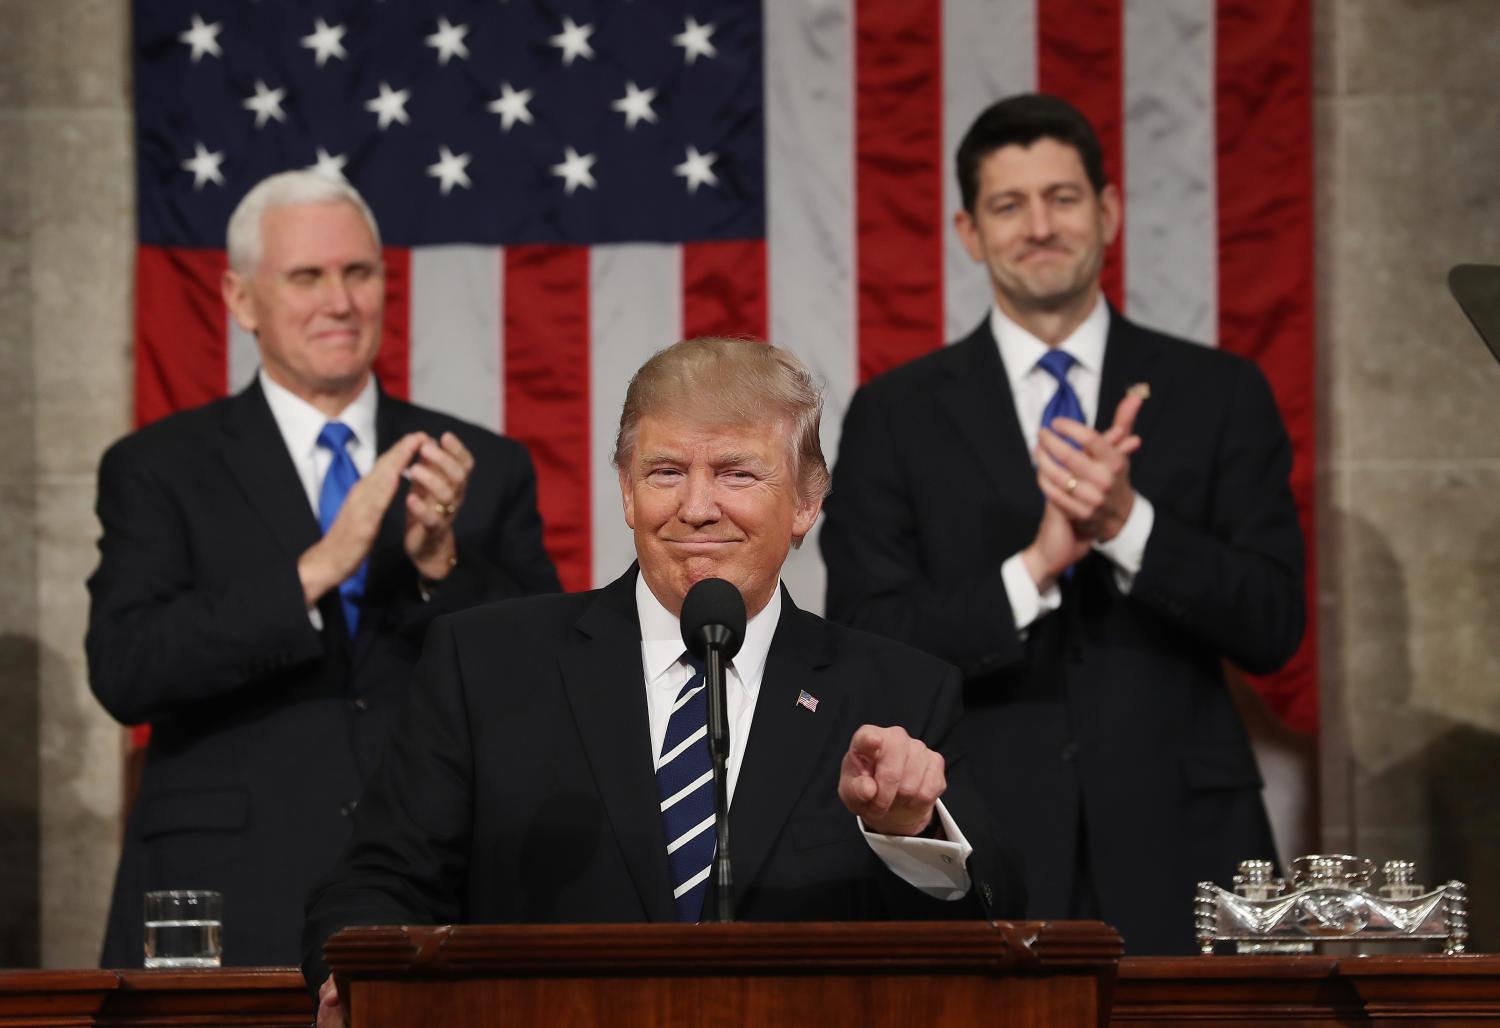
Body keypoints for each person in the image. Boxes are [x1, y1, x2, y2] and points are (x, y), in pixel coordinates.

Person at [302, 338, 1023, 1023]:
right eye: (666, 472)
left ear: (806, 501)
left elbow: (992, 932)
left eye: (738, 473)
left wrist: (910, 832)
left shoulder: (895, 690)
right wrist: (356, 975)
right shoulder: (485, 663)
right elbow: (379, 881)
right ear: (625, 489)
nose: (698, 507)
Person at [819, 94, 1305, 954]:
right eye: (1010, 205)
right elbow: (869, 634)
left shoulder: (1220, 391)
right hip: (983, 841)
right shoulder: (895, 414)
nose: (1038, 226)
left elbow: (1273, 623)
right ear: (969, 232)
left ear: (1109, 212)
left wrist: (1128, 525)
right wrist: (1034, 569)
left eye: (1063, 198)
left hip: (1187, 847)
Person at [87, 171, 561, 967]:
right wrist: (315, 569)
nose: (340, 302)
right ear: (241, 301)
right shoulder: (158, 467)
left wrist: (443, 567)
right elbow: (126, 668)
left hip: (433, 893)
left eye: (359, 273)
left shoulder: (480, 466)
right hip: (230, 896)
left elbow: (547, 681)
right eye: (307, 276)